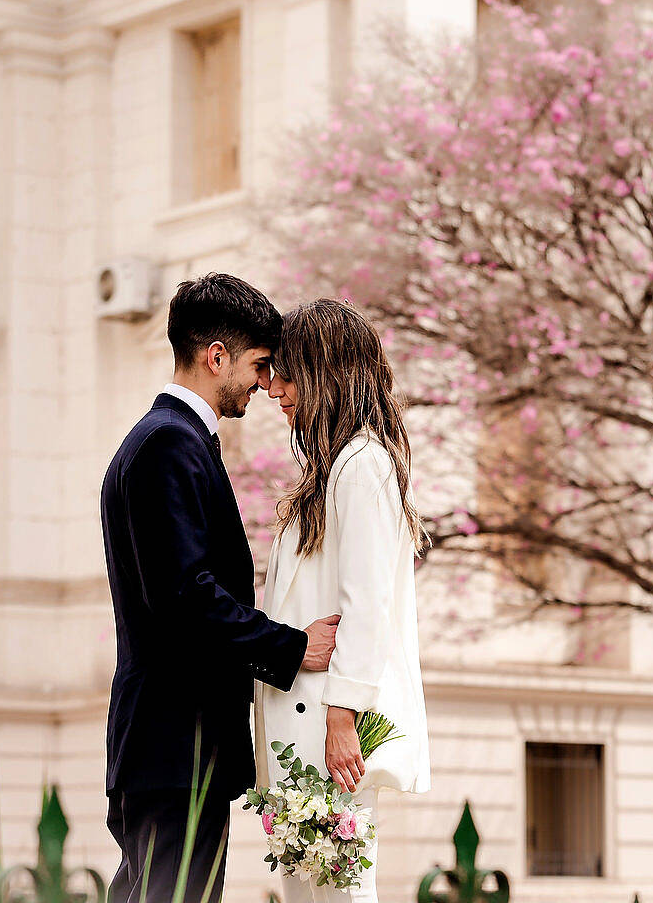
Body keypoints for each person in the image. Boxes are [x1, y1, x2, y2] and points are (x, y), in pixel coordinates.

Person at [99, 273, 341, 903]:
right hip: (174, 749)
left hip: (173, 751)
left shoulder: (169, 440)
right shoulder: (168, 444)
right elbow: (186, 594)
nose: (266, 385)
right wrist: (293, 648)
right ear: (215, 357)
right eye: (258, 365)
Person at [255, 298, 432, 903]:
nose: (275, 390)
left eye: (289, 373)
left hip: (332, 734)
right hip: (303, 731)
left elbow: (367, 603)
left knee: (341, 895)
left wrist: (341, 718)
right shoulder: (331, 471)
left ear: (326, 373)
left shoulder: (362, 466)